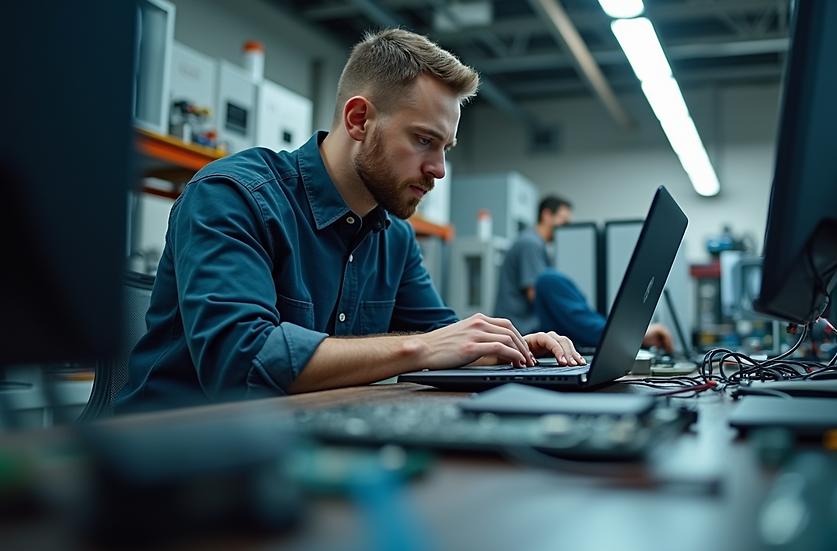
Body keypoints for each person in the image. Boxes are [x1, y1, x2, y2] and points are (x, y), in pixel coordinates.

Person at [115, 29, 585, 413]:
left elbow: (447, 340)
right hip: (169, 459)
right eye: (424, 140)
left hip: (302, 444)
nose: (439, 169)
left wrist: (513, 348)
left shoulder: (394, 236)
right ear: (359, 119)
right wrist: (419, 349)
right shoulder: (232, 196)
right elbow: (243, 365)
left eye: (446, 149)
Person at [534, 268, 674, 353]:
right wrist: (638, 333)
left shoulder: (554, 281)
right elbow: (588, 328)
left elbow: (590, 322)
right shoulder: (548, 280)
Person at [493, 196, 572, 335]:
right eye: (563, 221)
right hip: (519, 329)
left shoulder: (534, 242)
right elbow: (535, 294)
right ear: (547, 215)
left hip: (518, 327)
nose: (565, 228)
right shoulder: (531, 244)